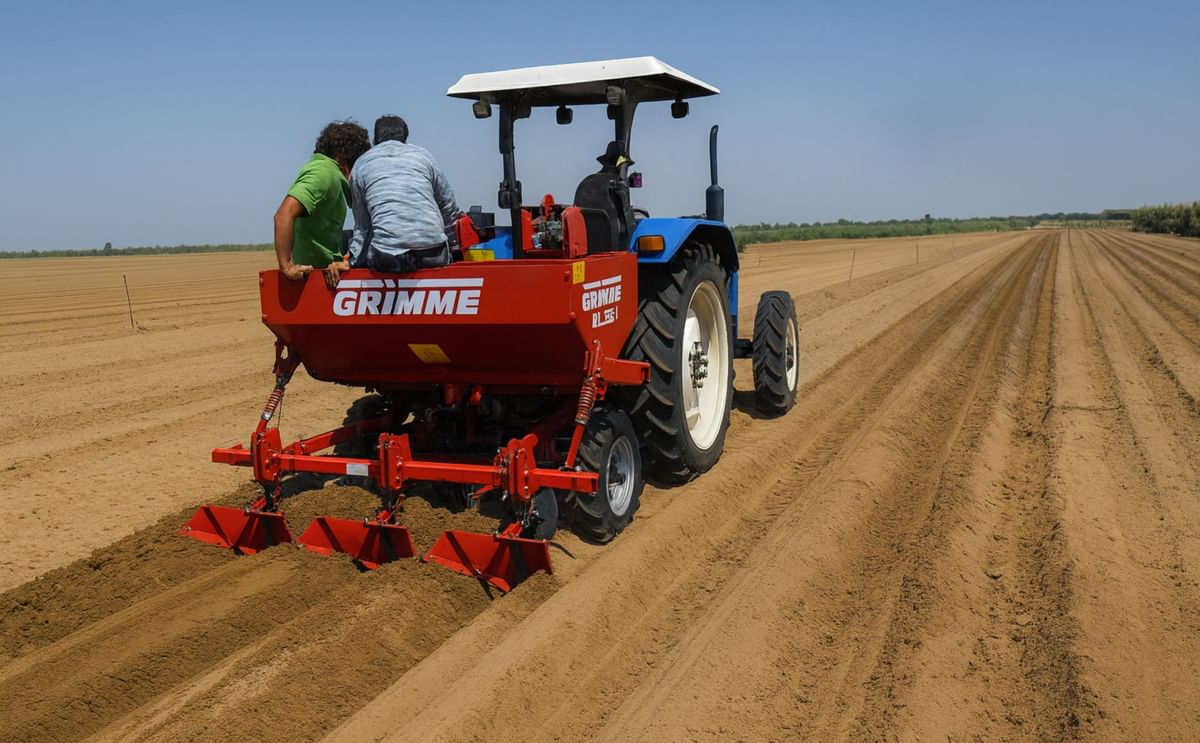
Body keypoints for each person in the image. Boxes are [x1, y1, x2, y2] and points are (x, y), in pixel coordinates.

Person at [347, 115, 462, 273]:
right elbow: (448, 207)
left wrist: (353, 261)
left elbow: (363, 225)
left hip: (388, 258)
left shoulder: (361, 164)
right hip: (434, 254)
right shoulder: (424, 157)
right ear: (405, 138)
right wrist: (456, 248)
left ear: (376, 139)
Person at [273, 121, 370, 288]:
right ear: (343, 157)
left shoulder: (329, 172)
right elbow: (284, 214)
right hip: (319, 271)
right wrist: (287, 266)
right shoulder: (322, 173)